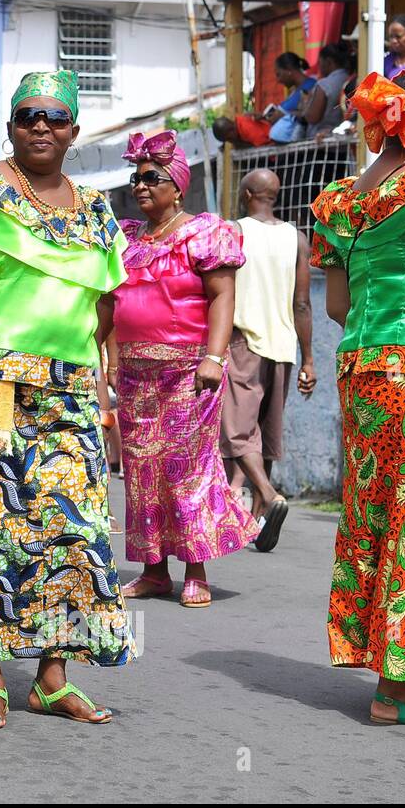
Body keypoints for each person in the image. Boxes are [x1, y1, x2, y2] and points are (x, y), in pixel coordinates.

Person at [0, 70, 133, 730]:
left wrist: (95, 375)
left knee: (73, 531)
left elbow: (104, 304)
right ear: (10, 125)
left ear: (74, 130)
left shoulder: (96, 208)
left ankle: (51, 678)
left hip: (66, 386)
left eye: (56, 116)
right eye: (28, 115)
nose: (42, 125)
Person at [312, 66, 405, 727]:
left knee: (373, 515)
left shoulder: (339, 200)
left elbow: (338, 304)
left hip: (363, 370)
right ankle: (400, 689)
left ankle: (394, 679)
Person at [112, 131, 259, 609]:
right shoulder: (128, 239)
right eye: (135, 178)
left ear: (176, 186)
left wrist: (214, 358)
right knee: (140, 470)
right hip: (136, 373)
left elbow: (222, 298)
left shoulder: (204, 232)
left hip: (188, 370)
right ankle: (154, 570)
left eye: (151, 177)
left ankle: (195, 567)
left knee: (185, 470)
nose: (140, 185)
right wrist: (112, 359)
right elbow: (111, 302)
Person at [220, 168, 317, 553]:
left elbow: (220, 291)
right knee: (265, 434)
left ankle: (268, 495)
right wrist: (308, 359)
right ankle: (260, 524)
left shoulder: (235, 230)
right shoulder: (297, 238)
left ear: (246, 194)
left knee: (236, 433)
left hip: (243, 341)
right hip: (283, 345)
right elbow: (303, 302)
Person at [305, 43, 355, 139]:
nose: (319, 67)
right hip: (345, 141)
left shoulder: (324, 84)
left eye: (320, 63)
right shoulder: (351, 79)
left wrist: (306, 104)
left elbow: (313, 117)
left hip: (323, 142)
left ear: (328, 62)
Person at [268, 52, 317, 144]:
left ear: (289, 71)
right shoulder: (298, 90)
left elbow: (278, 114)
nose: (278, 80)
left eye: (279, 74)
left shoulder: (309, 87)